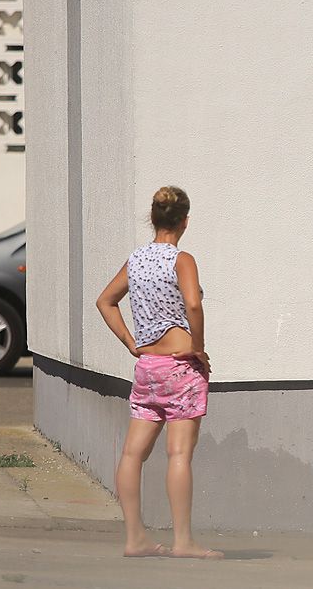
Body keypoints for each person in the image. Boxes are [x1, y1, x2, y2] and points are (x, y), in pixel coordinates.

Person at [95, 186, 222, 560]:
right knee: (179, 454)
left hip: (147, 368)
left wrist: (131, 343)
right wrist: (197, 347)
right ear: (184, 220)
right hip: (180, 367)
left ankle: (135, 537)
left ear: (153, 218)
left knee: (133, 454)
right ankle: (183, 540)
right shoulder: (182, 259)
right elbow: (193, 304)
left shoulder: (135, 260)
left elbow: (105, 301)